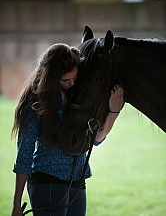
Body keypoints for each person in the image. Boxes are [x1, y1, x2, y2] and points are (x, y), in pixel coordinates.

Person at [11, 42, 124, 216]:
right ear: (51, 76)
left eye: (75, 78)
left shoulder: (76, 97)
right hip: (47, 180)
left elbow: (95, 139)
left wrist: (113, 112)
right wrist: (16, 203)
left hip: (77, 180)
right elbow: (24, 154)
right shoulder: (35, 103)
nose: (72, 83)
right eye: (65, 80)